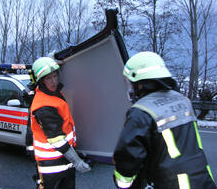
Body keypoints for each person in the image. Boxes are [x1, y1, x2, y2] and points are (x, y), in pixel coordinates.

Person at [113, 51, 216, 189]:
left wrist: (123, 184)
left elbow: (128, 157)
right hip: (204, 180)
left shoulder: (141, 112)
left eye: (131, 82)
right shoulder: (184, 101)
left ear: (140, 84)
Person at [30, 57, 91, 189]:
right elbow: (56, 139)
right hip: (51, 167)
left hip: (64, 161)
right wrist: (77, 161)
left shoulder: (51, 94)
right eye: (48, 78)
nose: (54, 81)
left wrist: (52, 59)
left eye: (55, 76)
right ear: (41, 81)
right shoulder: (43, 106)